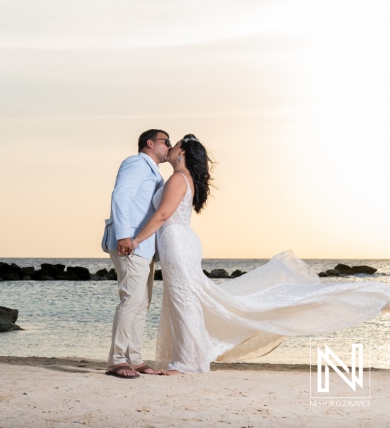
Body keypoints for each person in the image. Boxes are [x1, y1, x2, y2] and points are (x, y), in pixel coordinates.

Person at [130, 134, 390, 374]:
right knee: (185, 299)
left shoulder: (178, 179)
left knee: (183, 299)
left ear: (182, 152)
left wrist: (136, 239)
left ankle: (187, 361)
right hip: (179, 242)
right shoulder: (183, 179)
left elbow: (163, 215)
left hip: (177, 242)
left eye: (174, 145)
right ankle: (189, 357)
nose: (171, 147)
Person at [103, 129, 171, 379]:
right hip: (129, 242)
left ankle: (135, 358)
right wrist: (123, 235)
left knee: (142, 303)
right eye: (166, 142)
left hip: (144, 246)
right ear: (150, 143)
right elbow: (121, 196)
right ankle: (117, 360)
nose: (169, 147)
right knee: (131, 300)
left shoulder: (153, 170)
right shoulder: (136, 162)